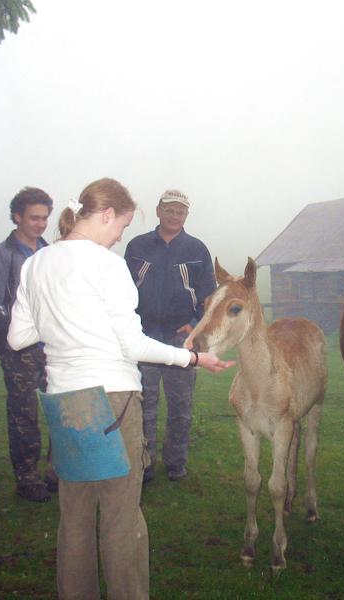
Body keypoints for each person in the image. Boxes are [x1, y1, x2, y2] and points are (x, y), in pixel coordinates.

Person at [7, 178, 233, 600]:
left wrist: (64, 322)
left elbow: (18, 337)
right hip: (112, 402)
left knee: (75, 518)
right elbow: (133, 346)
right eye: (122, 226)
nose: (118, 237)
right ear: (107, 214)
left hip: (64, 402)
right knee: (121, 519)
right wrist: (191, 358)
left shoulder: (36, 262)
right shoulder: (108, 265)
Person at [124, 189, 216, 483]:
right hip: (144, 338)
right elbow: (124, 292)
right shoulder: (137, 247)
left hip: (182, 340)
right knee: (144, 405)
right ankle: (145, 463)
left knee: (180, 407)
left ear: (186, 215)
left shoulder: (197, 250)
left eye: (180, 211)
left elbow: (209, 298)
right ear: (158, 211)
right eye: (169, 210)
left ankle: (176, 463)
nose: (175, 216)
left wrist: (194, 323)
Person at [0, 186, 55, 502]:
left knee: (61, 407)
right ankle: (27, 478)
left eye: (45, 218)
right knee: (23, 414)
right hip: (19, 351)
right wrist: (19, 333)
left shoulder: (51, 253)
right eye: (34, 217)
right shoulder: (0, 257)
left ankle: (57, 470)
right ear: (17, 217)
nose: (40, 224)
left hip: (54, 347)